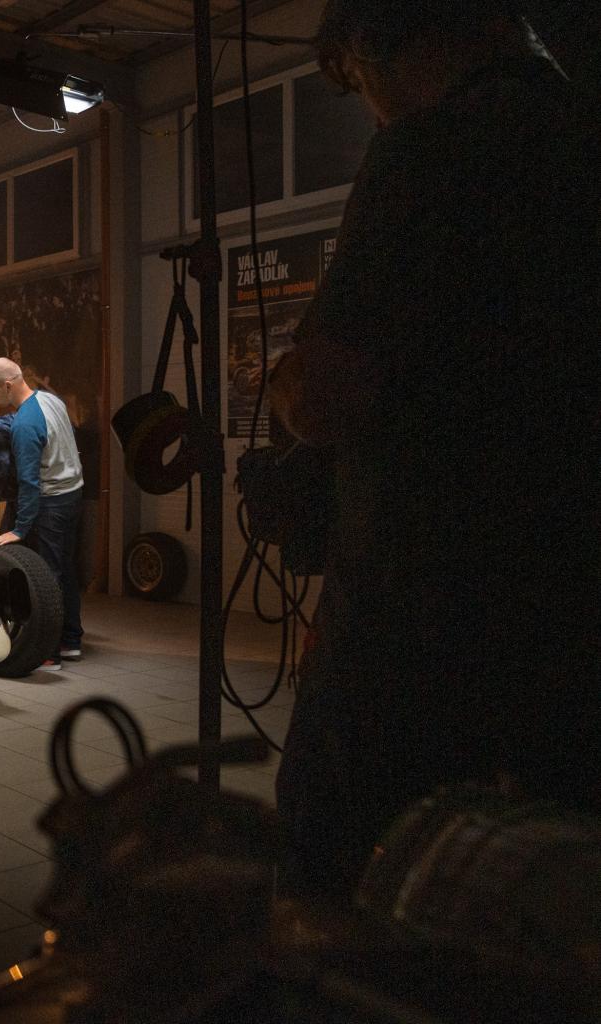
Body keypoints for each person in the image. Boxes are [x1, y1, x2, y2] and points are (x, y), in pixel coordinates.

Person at [267, 0, 601, 896]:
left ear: (374, 48)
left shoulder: (431, 148)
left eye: (356, 84)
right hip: (572, 635)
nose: (370, 110)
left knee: (342, 886)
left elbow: (327, 395)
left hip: (419, 628)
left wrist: (286, 382)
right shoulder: (581, 132)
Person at [0, 357, 85, 667]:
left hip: (51, 502)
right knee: (65, 568)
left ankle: (48, 652)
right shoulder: (51, 400)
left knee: (46, 578)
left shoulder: (25, 424)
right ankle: (70, 640)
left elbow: (29, 482)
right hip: (73, 493)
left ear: (7, 386)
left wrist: (20, 528)